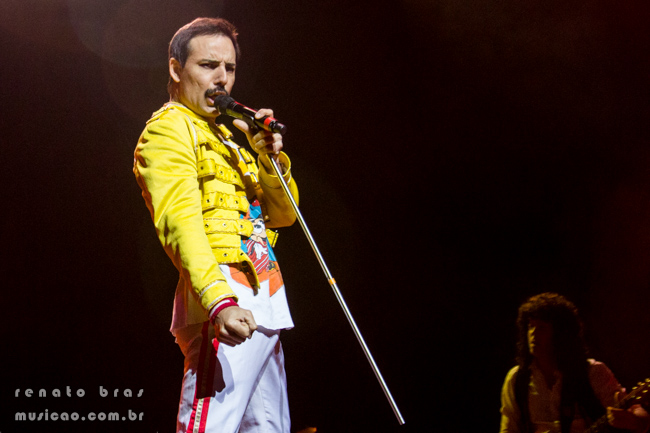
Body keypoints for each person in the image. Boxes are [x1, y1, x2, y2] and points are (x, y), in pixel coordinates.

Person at [133, 17, 298, 433]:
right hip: (224, 304)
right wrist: (219, 301)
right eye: (208, 65)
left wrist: (269, 160)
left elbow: (283, 216)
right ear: (176, 69)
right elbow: (180, 225)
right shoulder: (169, 129)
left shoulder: (228, 138)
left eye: (230, 68)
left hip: (265, 302)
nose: (222, 78)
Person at [500, 292, 649, 433]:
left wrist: (634, 421)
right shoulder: (516, 379)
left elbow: (637, 412)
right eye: (530, 326)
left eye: (542, 328)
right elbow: (508, 428)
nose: (533, 333)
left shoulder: (593, 372)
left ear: (560, 333)